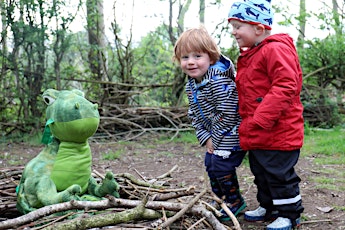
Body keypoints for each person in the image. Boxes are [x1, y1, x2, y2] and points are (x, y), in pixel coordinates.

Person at [227, 0, 304, 229]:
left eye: (238, 26)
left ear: (258, 28)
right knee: (260, 171)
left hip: (278, 130)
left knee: (279, 173)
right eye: (232, 26)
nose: (234, 32)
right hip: (259, 131)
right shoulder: (253, 53)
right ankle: (269, 206)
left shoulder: (274, 48)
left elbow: (286, 85)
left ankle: (290, 214)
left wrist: (261, 117)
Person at [173, 25, 247, 221]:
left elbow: (228, 112)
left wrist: (215, 137)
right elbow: (194, 113)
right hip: (216, 134)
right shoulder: (192, 83)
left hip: (233, 131)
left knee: (221, 165)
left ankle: (235, 201)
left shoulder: (218, 81)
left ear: (211, 57)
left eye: (197, 56)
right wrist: (205, 137)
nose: (190, 62)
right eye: (185, 57)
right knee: (210, 163)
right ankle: (220, 198)